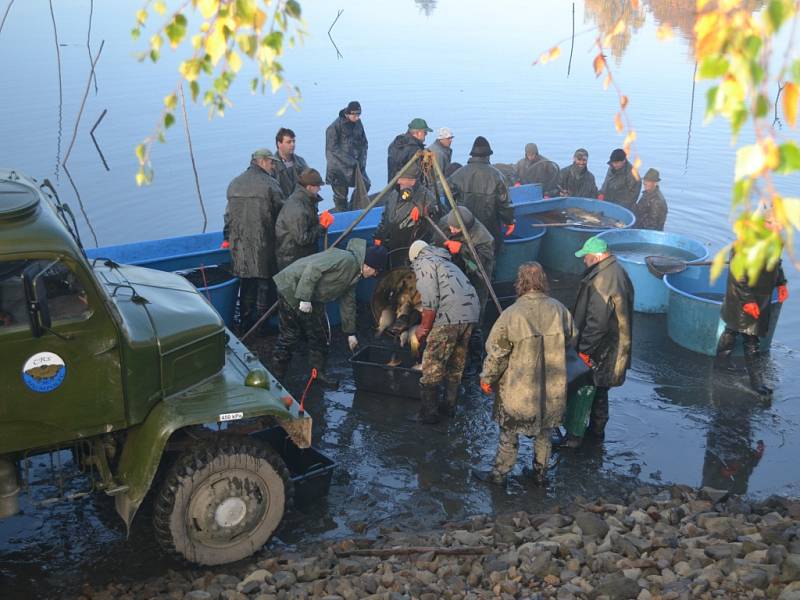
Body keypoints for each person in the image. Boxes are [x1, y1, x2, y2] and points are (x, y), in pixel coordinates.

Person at [475, 262, 575, 485]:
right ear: (543, 282)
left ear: (519, 283)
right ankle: (540, 474)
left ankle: (500, 474)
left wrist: (487, 378)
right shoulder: (560, 309)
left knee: (509, 432)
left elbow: (497, 353)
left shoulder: (511, 314)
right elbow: (571, 339)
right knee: (545, 431)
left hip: (518, 388)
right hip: (552, 387)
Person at [272, 239, 388, 388]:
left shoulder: (355, 274)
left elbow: (348, 303)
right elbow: (313, 268)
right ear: (368, 264)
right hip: (291, 286)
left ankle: (317, 375)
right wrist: (305, 298)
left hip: (313, 296)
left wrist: (350, 333)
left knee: (321, 335)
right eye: (375, 271)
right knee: (289, 335)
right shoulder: (345, 259)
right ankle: (276, 380)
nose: (374, 275)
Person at [564, 236, 634, 447]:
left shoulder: (603, 279)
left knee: (586, 389)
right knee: (600, 391)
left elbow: (597, 322)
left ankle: (575, 438)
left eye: (585, 257)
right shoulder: (617, 271)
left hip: (603, 351)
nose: (584, 261)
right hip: (613, 348)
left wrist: (583, 351)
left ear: (595, 257)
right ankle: (596, 434)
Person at [409, 240, 480, 423]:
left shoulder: (423, 262)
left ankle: (428, 415)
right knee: (456, 363)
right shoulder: (445, 261)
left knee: (432, 363)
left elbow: (430, 302)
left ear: (415, 257)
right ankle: (448, 408)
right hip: (471, 313)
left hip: (450, 317)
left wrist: (423, 329)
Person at [223, 148, 285, 332]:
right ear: (262, 161)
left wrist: (227, 237)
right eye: (271, 162)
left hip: (238, 244)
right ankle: (262, 324)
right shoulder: (270, 185)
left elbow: (228, 217)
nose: (273, 166)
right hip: (263, 243)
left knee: (246, 282)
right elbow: (282, 215)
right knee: (264, 282)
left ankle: (244, 321)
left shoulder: (234, 183)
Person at [714, 250, 788, 398]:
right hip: (742, 296)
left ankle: (721, 363)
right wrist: (748, 300)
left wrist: (781, 283)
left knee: (733, 330)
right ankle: (756, 382)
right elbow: (738, 275)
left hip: (760, 296)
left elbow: (776, 264)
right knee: (750, 338)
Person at [438, 206, 495, 374]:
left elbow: (480, 267)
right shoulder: (448, 222)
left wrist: (462, 250)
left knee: (475, 321)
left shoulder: (484, 239)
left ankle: (476, 362)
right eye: (450, 227)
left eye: (455, 229)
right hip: (456, 278)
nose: (451, 230)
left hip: (476, 283)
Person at [447, 136, 515, 256]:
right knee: (489, 255)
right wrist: (509, 221)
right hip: (490, 226)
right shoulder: (497, 175)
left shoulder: (457, 175)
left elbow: (448, 197)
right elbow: (504, 204)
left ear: (472, 155)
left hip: (465, 225)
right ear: (488, 155)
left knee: (465, 255)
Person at [373, 161, 441, 267]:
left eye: (402, 178)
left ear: (412, 181)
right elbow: (385, 218)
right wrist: (379, 236)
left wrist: (424, 210)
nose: (398, 181)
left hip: (409, 252)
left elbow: (437, 217)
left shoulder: (426, 197)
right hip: (390, 249)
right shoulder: (394, 194)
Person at [275, 168, 334, 271]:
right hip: (293, 260)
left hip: (298, 256)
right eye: (318, 186)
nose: (319, 189)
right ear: (310, 187)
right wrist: (322, 226)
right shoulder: (297, 207)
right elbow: (302, 238)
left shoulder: (305, 200)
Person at [325, 101, 369, 212]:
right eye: (354, 115)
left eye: (359, 115)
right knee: (341, 197)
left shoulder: (358, 123)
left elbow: (364, 143)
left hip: (355, 165)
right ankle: (342, 216)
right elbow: (332, 149)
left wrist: (362, 160)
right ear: (347, 113)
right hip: (337, 168)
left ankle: (353, 207)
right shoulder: (334, 128)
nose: (357, 117)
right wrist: (351, 161)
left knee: (366, 184)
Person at [387, 118, 432, 183]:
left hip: (392, 184)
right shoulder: (415, 150)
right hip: (408, 187)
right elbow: (418, 173)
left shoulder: (395, 143)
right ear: (418, 133)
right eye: (425, 132)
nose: (426, 134)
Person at [273, 127, 309, 197]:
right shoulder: (272, 165)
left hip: (300, 204)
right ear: (279, 144)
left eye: (294, 141)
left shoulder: (301, 162)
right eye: (288, 142)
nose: (292, 144)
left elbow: (310, 184)